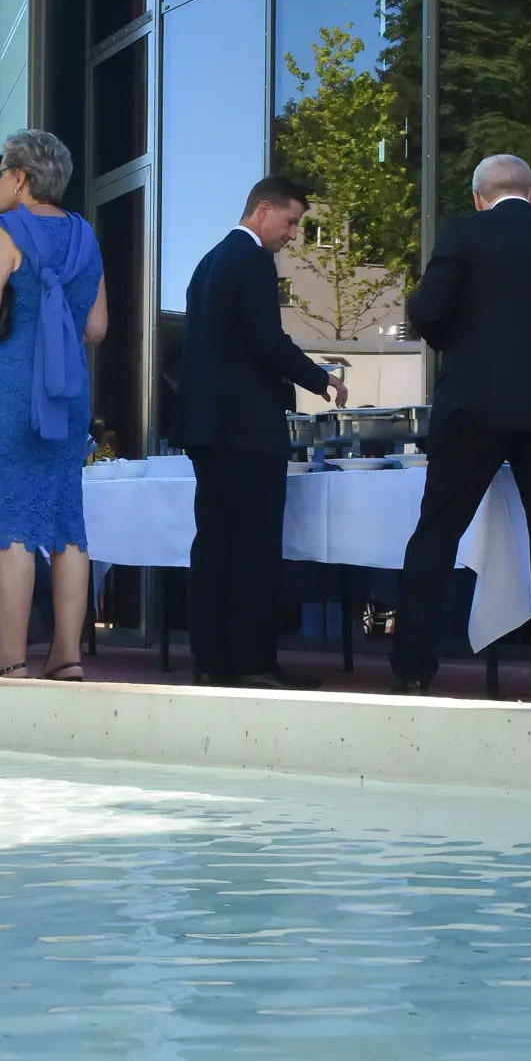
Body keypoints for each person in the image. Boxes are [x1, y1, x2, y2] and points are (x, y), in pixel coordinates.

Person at [390, 153, 531, 705]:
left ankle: (414, 666)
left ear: (478, 197)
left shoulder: (462, 234)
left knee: (438, 531)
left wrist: (459, 343)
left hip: (475, 405)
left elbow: (429, 311)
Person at [174, 176, 346, 688]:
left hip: (207, 426)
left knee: (213, 545)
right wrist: (322, 380)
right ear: (263, 210)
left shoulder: (209, 262)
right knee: (254, 546)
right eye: (291, 222)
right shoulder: (251, 261)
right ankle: (253, 661)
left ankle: (210, 659)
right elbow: (267, 341)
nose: (293, 235)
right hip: (246, 427)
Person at [0, 129, 107, 678]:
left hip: (13, 390)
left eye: (1, 173)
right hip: (68, 390)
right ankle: (67, 656)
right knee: (67, 521)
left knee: (10, 523)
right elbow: (97, 325)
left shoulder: (5, 230)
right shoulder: (86, 236)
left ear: (21, 179)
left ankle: (12, 659)